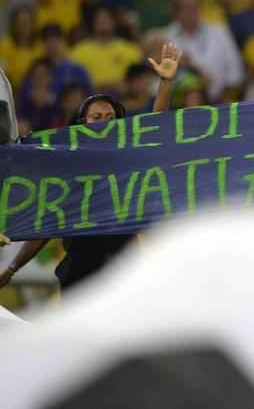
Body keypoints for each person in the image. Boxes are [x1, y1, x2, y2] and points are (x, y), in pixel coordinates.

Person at [0, 43, 182, 295]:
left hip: (124, 272)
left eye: (111, 118)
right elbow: (45, 226)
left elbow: (154, 124)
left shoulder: (128, 158)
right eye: (97, 118)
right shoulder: (65, 169)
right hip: (79, 273)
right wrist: (12, 269)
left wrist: (165, 82)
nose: (105, 124)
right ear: (80, 123)